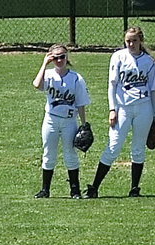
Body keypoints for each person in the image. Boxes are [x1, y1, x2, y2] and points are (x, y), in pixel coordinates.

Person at [85, 26, 155, 198]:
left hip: (144, 107)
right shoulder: (118, 57)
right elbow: (112, 85)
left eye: (134, 41)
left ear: (141, 41)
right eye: (128, 41)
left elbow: (153, 89)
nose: (131, 44)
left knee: (138, 148)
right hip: (123, 108)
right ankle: (94, 187)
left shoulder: (149, 61)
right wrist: (112, 109)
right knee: (114, 145)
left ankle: (134, 188)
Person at [31, 44, 91, 200]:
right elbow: (37, 85)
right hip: (51, 119)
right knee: (48, 153)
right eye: (55, 57)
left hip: (69, 121)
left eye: (62, 56)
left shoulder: (76, 79)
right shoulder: (49, 74)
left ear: (67, 57)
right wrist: (44, 63)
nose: (59, 60)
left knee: (70, 154)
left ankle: (75, 190)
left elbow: (80, 104)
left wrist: (84, 125)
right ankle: (45, 190)